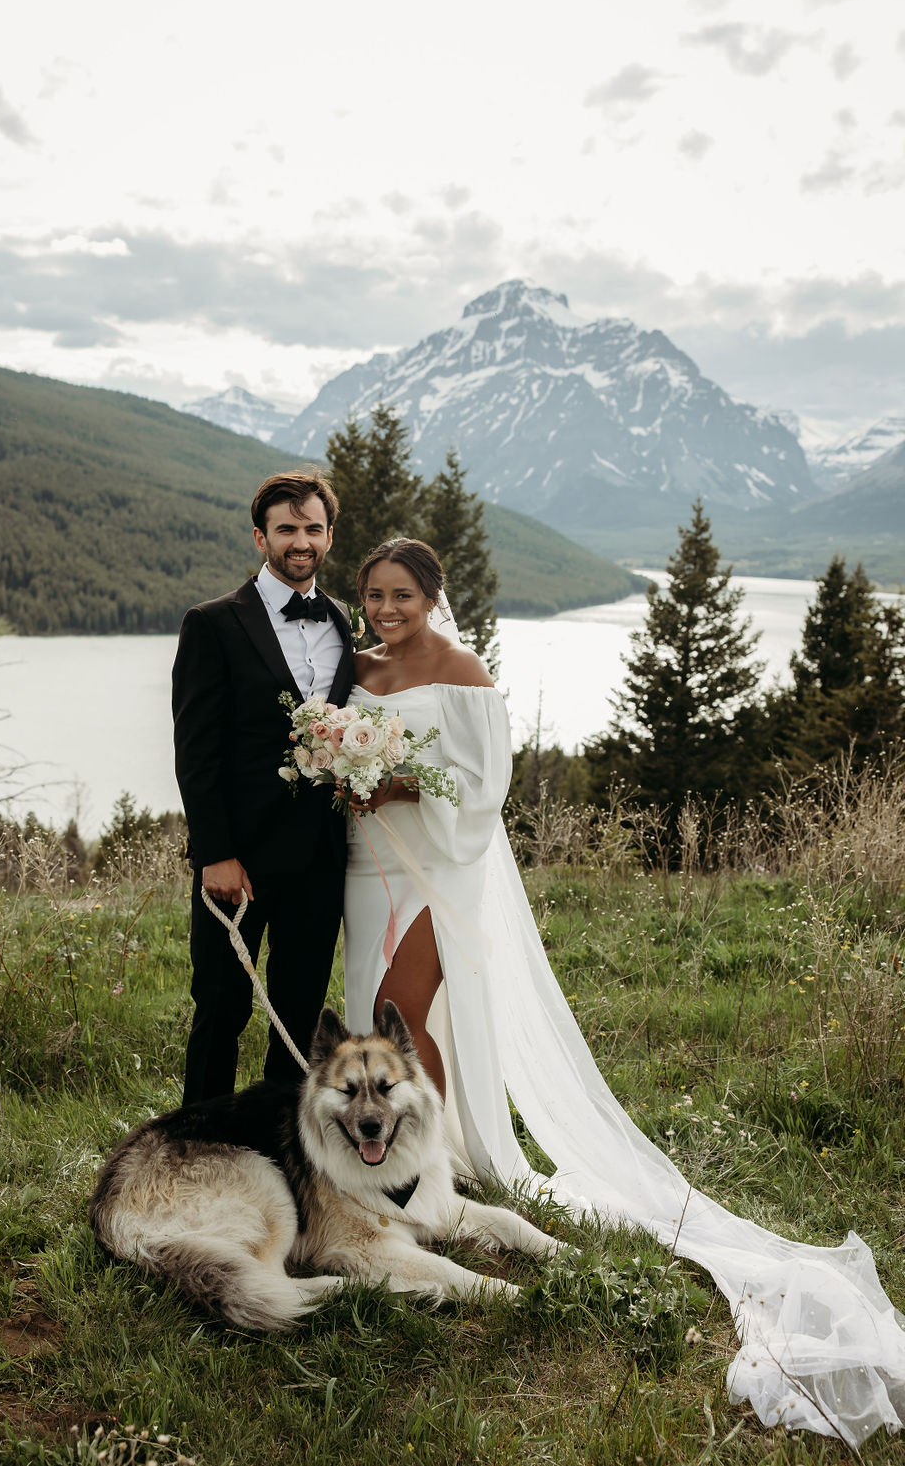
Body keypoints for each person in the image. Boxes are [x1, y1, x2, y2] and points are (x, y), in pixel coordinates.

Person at [343, 536, 905, 1448]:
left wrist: (394, 778)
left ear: (432, 594)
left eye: (401, 592)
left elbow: (483, 793)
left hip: (437, 872)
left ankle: (420, 1171)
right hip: (364, 872)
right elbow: (341, 755)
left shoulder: (462, 669)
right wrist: (345, 775)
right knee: (377, 1011)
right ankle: (407, 1157)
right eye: (373, 593)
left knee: (396, 1022)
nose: (385, 608)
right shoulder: (357, 669)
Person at [172, 470, 355, 1104]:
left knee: (300, 1016)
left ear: (328, 537)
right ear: (261, 538)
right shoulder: (214, 624)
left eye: (312, 528)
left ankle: (281, 1155)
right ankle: (197, 1148)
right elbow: (196, 754)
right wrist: (215, 852)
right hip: (239, 858)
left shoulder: (345, 625)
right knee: (221, 1008)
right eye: (286, 529)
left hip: (321, 859)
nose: (299, 541)